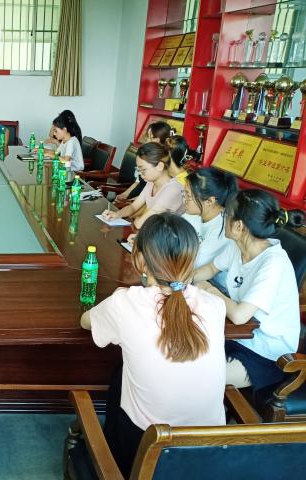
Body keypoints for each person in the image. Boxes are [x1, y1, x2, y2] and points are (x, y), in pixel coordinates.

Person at [81, 213, 226, 476]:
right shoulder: (215, 305)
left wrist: (118, 298)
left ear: (139, 260)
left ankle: (112, 461)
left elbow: (85, 322)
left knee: (121, 378)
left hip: (147, 449)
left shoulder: (125, 303)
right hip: (209, 450)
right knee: (123, 374)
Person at [193, 189, 303, 391]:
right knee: (179, 357)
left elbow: (239, 315)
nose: (223, 218)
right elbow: (210, 269)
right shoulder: (239, 246)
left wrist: (208, 288)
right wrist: (181, 278)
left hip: (266, 354)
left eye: (226, 215)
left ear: (239, 226)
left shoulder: (274, 263)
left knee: (196, 378)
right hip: (236, 335)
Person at [102, 142, 185, 229]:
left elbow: (140, 224)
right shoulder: (151, 182)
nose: (140, 174)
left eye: (143, 169)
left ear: (160, 166)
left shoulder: (173, 189)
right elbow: (133, 207)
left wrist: (137, 219)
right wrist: (116, 214)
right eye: (138, 169)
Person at [183, 168, 238, 273]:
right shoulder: (193, 214)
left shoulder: (223, 229)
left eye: (188, 196)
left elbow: (194, 264)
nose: (184, 199)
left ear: (209, 201)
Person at [116, 121, 172, 203]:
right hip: (137, 197)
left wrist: (130, 202)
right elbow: (137, 182)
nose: (146, 140)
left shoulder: (163, 165)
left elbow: (151, 197)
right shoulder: (145, 156)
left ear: (157, 140)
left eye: (148, 137)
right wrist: (124, 195)